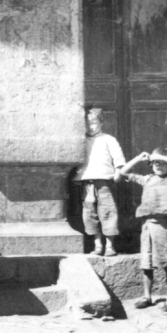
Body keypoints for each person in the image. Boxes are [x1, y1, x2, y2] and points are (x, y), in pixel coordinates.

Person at [120, 146, 167, 310]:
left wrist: (159, 155)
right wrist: (139, 158)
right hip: (147, 225)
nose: (158, 165)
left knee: (166, 262)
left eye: (163, 163)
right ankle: (146, 296)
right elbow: (122, 172)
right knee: (146, 262)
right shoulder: (147, 179)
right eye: (155, 162)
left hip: (164, 224)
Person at [71, 107, 126, 256]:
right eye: (87, 123)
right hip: (87, 183)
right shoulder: (80, 141)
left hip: (104, 182)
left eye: (94, 122)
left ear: (101, 123)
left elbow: (118, 158)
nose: (90, 126)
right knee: (90, 214)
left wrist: (118, 171)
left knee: (107, 211)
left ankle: (109, 246)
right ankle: (97, 245)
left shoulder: (108, 139)